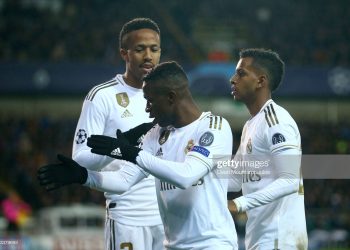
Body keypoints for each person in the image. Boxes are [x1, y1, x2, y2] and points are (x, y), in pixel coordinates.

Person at [38, 61, 238, 250]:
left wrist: (132, 152)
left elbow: (186, 176)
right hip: (174, 245)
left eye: (151, 101)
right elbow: (124, 180)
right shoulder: (155, 134)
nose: (147, 109)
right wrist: (83, 176)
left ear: (171, 97)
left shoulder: (214, 127)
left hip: (212, 244)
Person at [70, 17, 164, 250]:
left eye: (154, 49)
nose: (148, 56)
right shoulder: (102, 96)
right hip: (127, 213)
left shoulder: (169, 95)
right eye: (140, 49)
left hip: (168, 215)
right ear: (125, 53)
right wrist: (117, 149)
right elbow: (80, 158)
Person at [228, 48, 308, 249]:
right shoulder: (251, 125)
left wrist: (238, 204)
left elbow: (289, 180)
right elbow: (233, 179)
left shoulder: (276, 121)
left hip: (280, 238)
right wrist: (192, 172)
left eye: (241, 73)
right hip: (260, 237)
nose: (233, 79)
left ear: (261, 81)